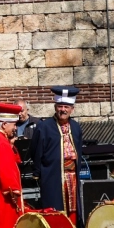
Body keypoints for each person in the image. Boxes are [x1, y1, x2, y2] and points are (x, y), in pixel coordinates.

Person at [29, 86, 86, 219]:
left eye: (66, 107)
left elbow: (79, 149)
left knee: (73, 207)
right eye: (60, 106)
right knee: (54, 208)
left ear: (72, 109)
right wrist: (37, 172)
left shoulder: (76, 127)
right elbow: (36, 151)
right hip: (52, 175)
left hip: (72, 175)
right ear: (55, 107)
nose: (63, 109)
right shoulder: (44, 127)